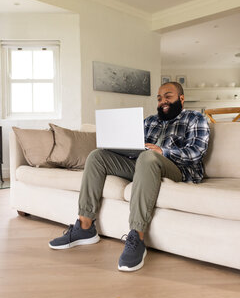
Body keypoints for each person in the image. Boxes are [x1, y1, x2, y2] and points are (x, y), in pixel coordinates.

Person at [49, 82, 210, 272]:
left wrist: (162, 151)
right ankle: (85, 227)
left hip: (177, 169)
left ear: (181, 99)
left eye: (168, 96)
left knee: (149, 156)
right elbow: (134, 147)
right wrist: (118, 146)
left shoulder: (195, 118)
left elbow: (196, 152)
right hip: (142, 163)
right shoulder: (149, 121)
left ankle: (137, 236)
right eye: (159, 98)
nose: (163, 101)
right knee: (97, 156)